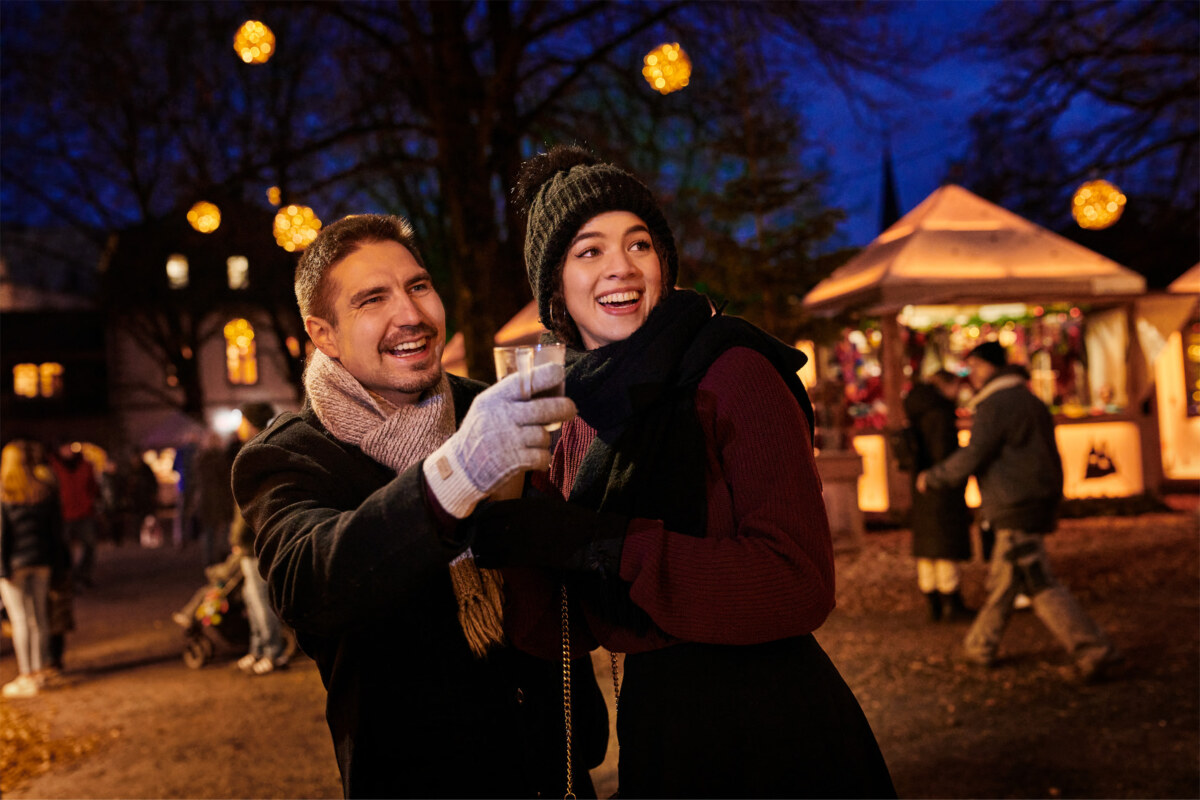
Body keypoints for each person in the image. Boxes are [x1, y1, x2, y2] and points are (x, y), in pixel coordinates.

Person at [468, 144, 895, 798]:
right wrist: (515, 533)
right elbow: (572, 628)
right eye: (589, 251)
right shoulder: (580, 419)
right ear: (555, 288)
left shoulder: (733, 374)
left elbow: (799, 582)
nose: (621, 266)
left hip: (773, 729)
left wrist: (609, 545)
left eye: (639, 244)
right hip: (660, 731)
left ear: (663, 263)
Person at [231, 213, 607, 798]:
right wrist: (458, 475)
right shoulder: (289, 456)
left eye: (418, 286)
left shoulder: (488, 406)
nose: (410, 314)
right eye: (372, 299)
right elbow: (309, 581)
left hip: (554, 770)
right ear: (324, 334)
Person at [917, 340, 1120, 682]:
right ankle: (979, 646)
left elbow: (976, 453)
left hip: (1014, 504)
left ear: (990, 366)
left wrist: (934, 478)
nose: (972, 375)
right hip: (1032, 499)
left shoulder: (997, 404)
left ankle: (1094, 650)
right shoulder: (1027, 399)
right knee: (1011, 580)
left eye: (976, 366)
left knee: (1037, 583)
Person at [902, 369, 974, 622]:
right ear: (947, 385)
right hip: (938, 485)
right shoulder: (941, 412)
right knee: (944, 544)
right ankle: (950, 600)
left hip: (919, 486)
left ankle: (932, 600)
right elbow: (945, 452)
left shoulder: (917, 409)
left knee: (927, 546)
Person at [0, 439, 68, 698]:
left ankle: (27, 674)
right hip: (42, 562)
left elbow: (2, 535)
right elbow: (55, 532)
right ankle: (39, 671)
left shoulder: (5, 493)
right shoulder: (43, 490)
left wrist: (2, 568)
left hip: (15, 564)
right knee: (39, 618)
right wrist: (57, 564)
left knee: (20, 620)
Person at [230, 402, 287, 676]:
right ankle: (258, 649)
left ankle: (273, 652)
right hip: (248, 543)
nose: (239, 427)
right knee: (251, 599)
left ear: (251, 423)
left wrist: (238, 536)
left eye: (242, 421)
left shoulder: (256, 453)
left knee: (261, 599)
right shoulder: (257, 449)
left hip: (254, 542)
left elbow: (249, 504)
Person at [49, 440, 100, 589]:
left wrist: (91, 500)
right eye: (64, 448)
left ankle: (83, 574)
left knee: (90, 544)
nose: (68, 451)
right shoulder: (53, 466)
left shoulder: (85, 465)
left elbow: (93, 486)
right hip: (63, 514)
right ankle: (69, 577)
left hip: (85, 512)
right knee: (64, 548)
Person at [185, 430, 235, 566]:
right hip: (220, 500)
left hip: (205, 500)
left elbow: (195, 482)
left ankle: (209, 559)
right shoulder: (221, 459)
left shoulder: (199, 460)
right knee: (224, 530)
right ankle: (222, 557)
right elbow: (226, 481)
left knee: (208, 532)